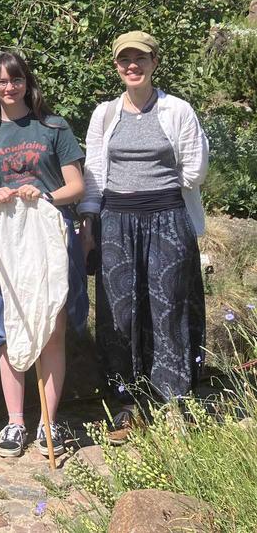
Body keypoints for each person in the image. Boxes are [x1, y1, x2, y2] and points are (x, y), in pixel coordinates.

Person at [79, 31, 208, 444]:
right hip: (116, 220)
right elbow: (95, 174)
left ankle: (173, 403)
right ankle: (127, 405)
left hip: (168, 217)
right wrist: (90, 223)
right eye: (124, 60)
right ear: (117, 66)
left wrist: (157, 195)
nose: (131, 66)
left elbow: (194, 170)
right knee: (120, 314)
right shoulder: (104, 114)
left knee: (169, 308)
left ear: (154, 63)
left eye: (140, 59)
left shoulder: (177, 110)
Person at [0, 52, 89, 458]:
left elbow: (77, 186)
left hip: (50, 239)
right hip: (8, 244)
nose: (9, 87)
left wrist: (46, 194)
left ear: (26, 82)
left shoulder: (53, 127)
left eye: (16, 79)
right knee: (9, 327)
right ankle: (16, 422)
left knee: (52, 327)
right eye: (1, 81)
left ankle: (48, 423)